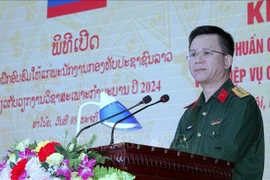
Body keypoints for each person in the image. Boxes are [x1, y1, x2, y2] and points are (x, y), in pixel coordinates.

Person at [170, 25, 264, 180]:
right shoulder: (190, 114)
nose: (198, 60)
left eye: (206, 53)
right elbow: (172, 162)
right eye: (193, 54)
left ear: (227, 61)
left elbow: (219, 163)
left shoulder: (241, 105)